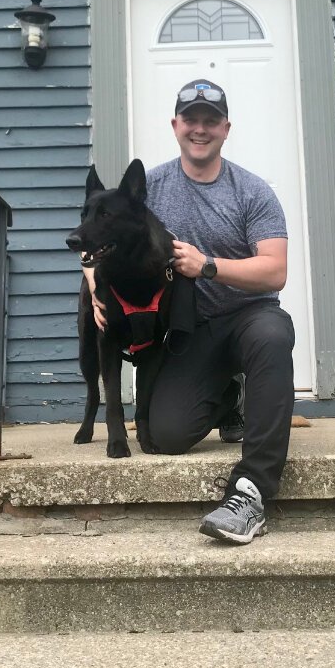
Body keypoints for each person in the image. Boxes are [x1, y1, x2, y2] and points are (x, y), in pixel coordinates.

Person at [89, 79, 295, 544]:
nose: (199, 129)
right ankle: (229, 398)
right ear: (175, 125)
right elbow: (103, 234)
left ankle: (252, 493)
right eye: (191, 120)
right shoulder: (152, 187)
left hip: (248, 318)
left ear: (226, 128)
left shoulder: (252, 191)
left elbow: (275, 271)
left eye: (210, 121)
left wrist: (208, 267)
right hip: (188, 331)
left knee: (273, 336)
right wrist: (93, 284)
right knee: (166, 436)